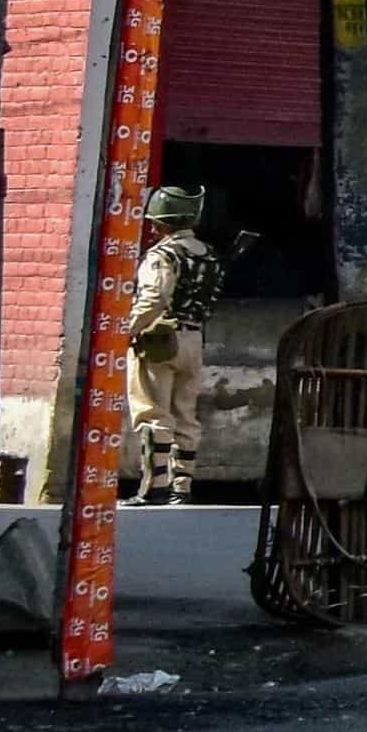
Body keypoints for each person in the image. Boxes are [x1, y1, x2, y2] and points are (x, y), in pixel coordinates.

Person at [122, 188, 219, 502]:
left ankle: (155, 486)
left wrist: (126, 329)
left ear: (162, 224)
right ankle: (182, 486)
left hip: (159, 339)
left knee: (152, 414)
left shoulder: (163, 255)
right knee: (186, 415)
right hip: (194, 338)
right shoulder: (208, 254)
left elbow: (154, 297)